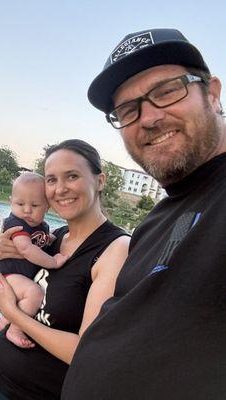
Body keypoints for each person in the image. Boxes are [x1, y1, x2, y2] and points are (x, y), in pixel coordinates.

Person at [60, 29, 226, 399]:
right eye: (127, 110)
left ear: (212, 94)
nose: (148, 118)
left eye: (166, 91)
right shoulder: (156, 220)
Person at [0, 139, 130, 399]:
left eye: (72, 176)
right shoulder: (51, 238)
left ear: (100, 181)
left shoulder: (115, 248)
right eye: (51, 179)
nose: (60, 189)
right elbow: (6, 294)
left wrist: (15, 317)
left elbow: (83, 351)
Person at [0, 172, 68, 362]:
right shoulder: (16, 223)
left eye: (35, 205)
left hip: (13, 276)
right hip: (7, 274)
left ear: (47, 206)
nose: (27, 210)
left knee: (10, 315)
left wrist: (48, 240)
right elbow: (26, 249)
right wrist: (53, 261)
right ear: (11, 201)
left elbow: (40, 242)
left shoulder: (42, 227)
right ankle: (15, 330)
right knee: (35, 294)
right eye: (20, 204)